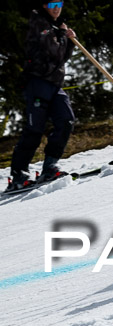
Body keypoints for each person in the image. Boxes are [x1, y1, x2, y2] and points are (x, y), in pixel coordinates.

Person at [6, 1, 76, 193]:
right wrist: (63, 35)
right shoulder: (39, 23)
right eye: (52, 4)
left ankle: (50, 167)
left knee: (66, 120)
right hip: (37, 82)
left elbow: (61, 57)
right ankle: (18, 176)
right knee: (34, 129)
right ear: (44, 5)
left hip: (55, 84)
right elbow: (52, 51)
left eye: (59, 3)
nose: (56, 8)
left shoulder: (56, 25)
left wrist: (68, 41)